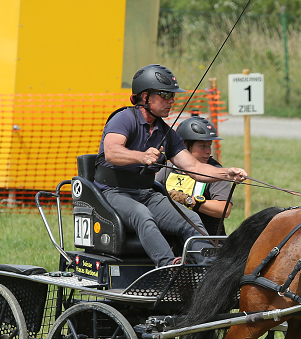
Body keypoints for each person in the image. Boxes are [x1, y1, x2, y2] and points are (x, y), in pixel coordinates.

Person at [94, 64, 247, 266]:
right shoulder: (123, 119)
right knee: (143, 217)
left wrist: (227, 173)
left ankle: (207, 274)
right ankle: (168, 268)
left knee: (191, 219)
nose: (172, 101)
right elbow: (112, 152)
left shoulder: (167, 133)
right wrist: (141, 157)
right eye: (166, 95)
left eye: (173, 96)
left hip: (146, 193)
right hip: (113, 192)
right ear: (145, 96)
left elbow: (196, 168)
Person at [155, 116, 233, 236]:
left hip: (204, 241)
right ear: (184, 146)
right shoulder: (168, 169)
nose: (208, 151)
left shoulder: (215, 172)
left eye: (209, 145)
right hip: (170, 237)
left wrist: (188, 200)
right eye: (202, 146)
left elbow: (224, 210)